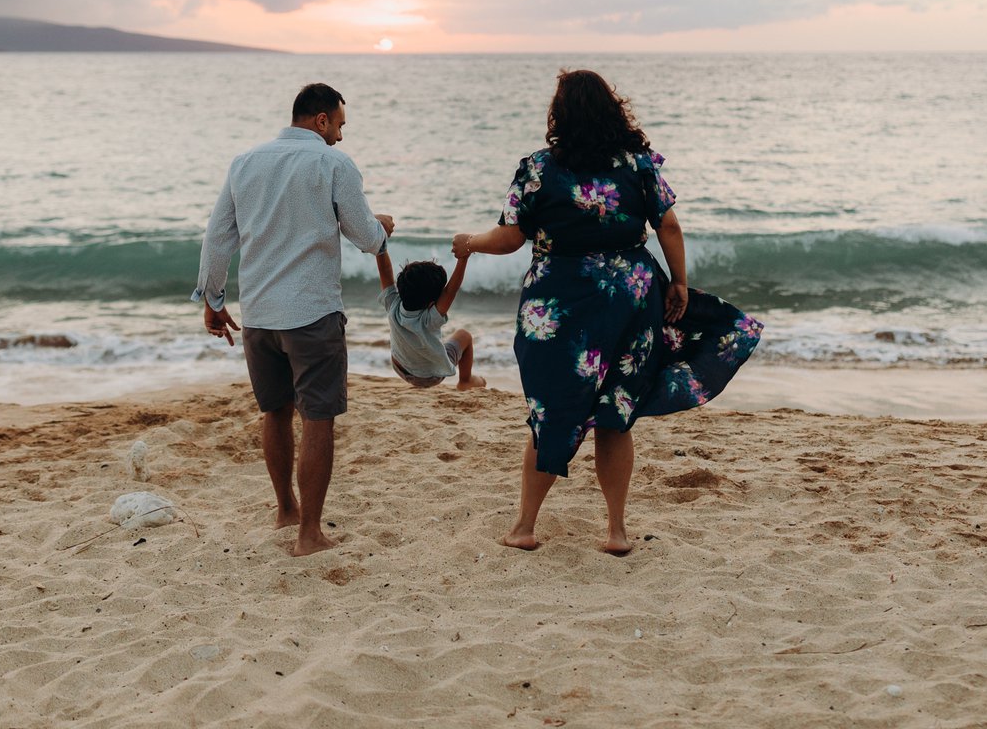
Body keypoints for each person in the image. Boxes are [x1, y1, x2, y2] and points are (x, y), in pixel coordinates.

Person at [453, 69, 761, 555]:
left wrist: (468, 244)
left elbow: (511, 238)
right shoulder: (637, 164)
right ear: (611, 109)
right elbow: (671, 227)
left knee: (551, 411)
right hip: (630, 300)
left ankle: (525, 527)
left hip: (557, 305)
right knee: (615, 413)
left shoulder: (537, 168)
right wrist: (678, 282)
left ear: (560, 114)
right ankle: (616, 531)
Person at [194, 83, 393, 557]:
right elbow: (364, 235)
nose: (341, 137)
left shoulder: (245, 162)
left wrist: (213, 298)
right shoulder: (332, 163)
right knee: (319, 420)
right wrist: (383, 228)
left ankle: (286, 509)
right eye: (340, 125)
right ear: (321, 119)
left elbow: (217, 238)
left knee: (275, 412)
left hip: (259, 316)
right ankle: (310, 535)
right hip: (312, 314)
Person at [374, 246, 485, 391]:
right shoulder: (430, 318)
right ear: (432, 303)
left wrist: (379, 242)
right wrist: (463, 258)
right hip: (432, 377)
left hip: (400, 367)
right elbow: (451, 290)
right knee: (464, 335)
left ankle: (463, 379)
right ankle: (465, 380)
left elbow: (384, 271)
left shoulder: (392, 303)